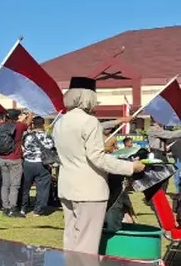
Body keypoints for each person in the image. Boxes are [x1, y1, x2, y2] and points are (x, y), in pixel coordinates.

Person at [52, 77, 144, 254]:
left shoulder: (60, 122)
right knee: (87, 243)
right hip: (89, 189)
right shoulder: (90, 121)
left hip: (67, 186)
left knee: (71, 236)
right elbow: (98, 158)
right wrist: (131, 167)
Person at [20, 116, 55, 215]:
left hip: (28, 163)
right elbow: (51, 147)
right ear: (43, 124)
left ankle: (23, 207)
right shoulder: (47, 136)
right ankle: (38, 210)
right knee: (42, 188)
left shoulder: (27, 136)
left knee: (25, 187)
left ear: (33, 124)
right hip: (42, 163)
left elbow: (23, 146)